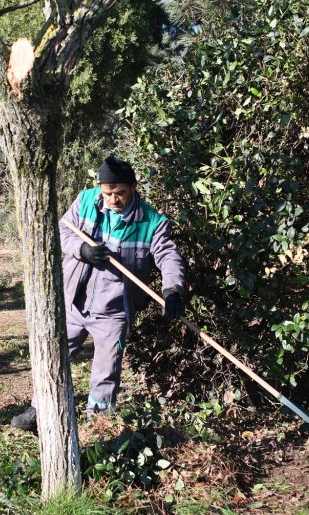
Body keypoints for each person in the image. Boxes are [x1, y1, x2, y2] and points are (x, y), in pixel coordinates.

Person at [11, 156, 187, 431]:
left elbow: (168, 256)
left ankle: (98, 426)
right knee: (55, 357)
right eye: (108, 194)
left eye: (120, 193)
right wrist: (83, 251)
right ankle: (39, 410)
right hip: (74, 301)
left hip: (114, 310)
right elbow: (62, 230)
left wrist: (173, 290)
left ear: (133, 187)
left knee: (106, 373)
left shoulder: (152, 222)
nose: (113, 200)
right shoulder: (86, 201)